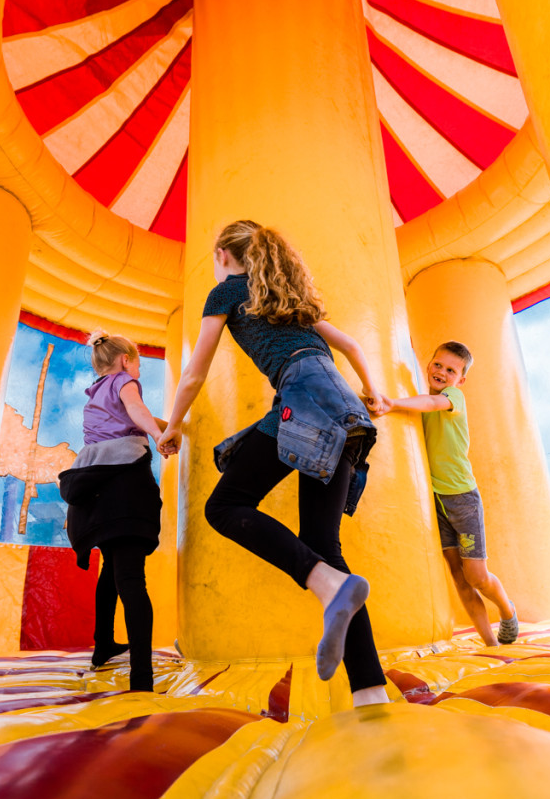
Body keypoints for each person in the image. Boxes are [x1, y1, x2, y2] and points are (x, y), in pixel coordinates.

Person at [155, 220, 391, 707]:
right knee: (323, 544)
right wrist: (375, 392)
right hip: (346, 408)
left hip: (304, 399)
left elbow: (195, 372)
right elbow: (351, 345)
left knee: (225, 506)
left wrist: (172, 425)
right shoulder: (291, 301)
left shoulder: (226, 292)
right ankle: (371, 694)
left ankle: (327, 584)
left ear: (222, 254)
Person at [376, 341, 519, 646]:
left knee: (476, 576)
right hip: (435, 502)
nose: (441, 372)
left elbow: (432, 404)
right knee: (458, 576)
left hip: (462, 498)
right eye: (438, 364)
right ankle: (491, 644)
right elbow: (424, 399)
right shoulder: (423, 398)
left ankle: (507, 610)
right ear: (429, 365)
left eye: (451, 370)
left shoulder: (453, 397)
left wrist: (392, 403)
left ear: (460, 380)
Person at [57, 330, 167, 692]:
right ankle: (142, 678)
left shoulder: (95, 391)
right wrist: (160, 436)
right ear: (125, 360)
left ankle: (102, 644)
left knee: (111, 571)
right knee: (132, 579)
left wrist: (167, 424)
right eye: (138, 364)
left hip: (95, 496)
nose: (139, 372)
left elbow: (131, 418)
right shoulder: (125, 381)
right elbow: (136, 411)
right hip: (124, 492)